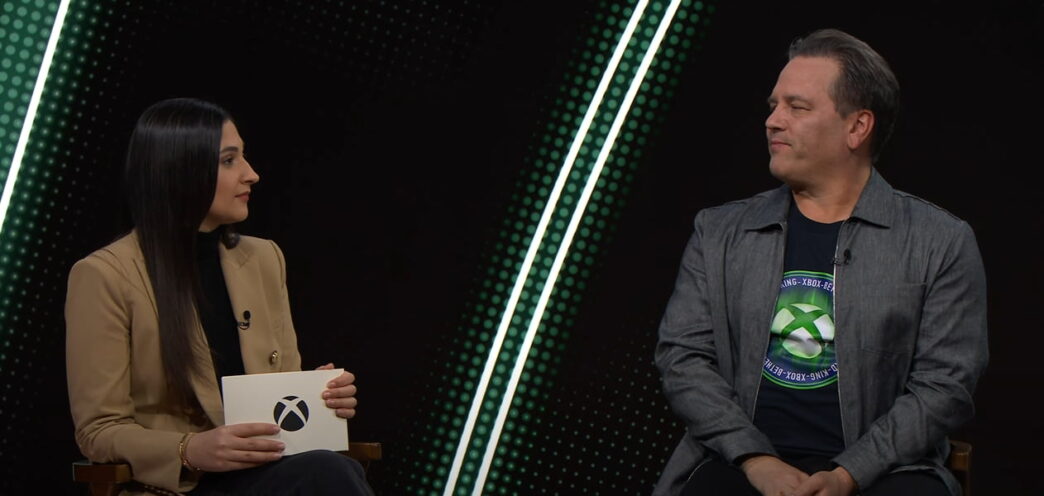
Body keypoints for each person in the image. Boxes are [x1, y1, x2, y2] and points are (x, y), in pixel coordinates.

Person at [653, 29, 987, 496]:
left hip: (884, 473)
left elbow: (945, 386)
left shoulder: (940, 241)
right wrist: (756, 459)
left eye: (797, 107)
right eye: (773, 106)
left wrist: (849, 473)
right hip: (741, 465)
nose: (773, 121)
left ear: (857, 127)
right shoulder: (719, 232)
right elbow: (682, 358)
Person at [66, 98, 374, 495]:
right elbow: (98, 430)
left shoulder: (264, 258)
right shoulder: (104, 276)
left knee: (329, 471)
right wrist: (189, 449)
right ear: (181, 170)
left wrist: (318, 400)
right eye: (229, 161)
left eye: (243, 157)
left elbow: (280, 397)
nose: (252, 174)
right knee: (327, 473)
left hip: (270, 473)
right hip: (181, 487)